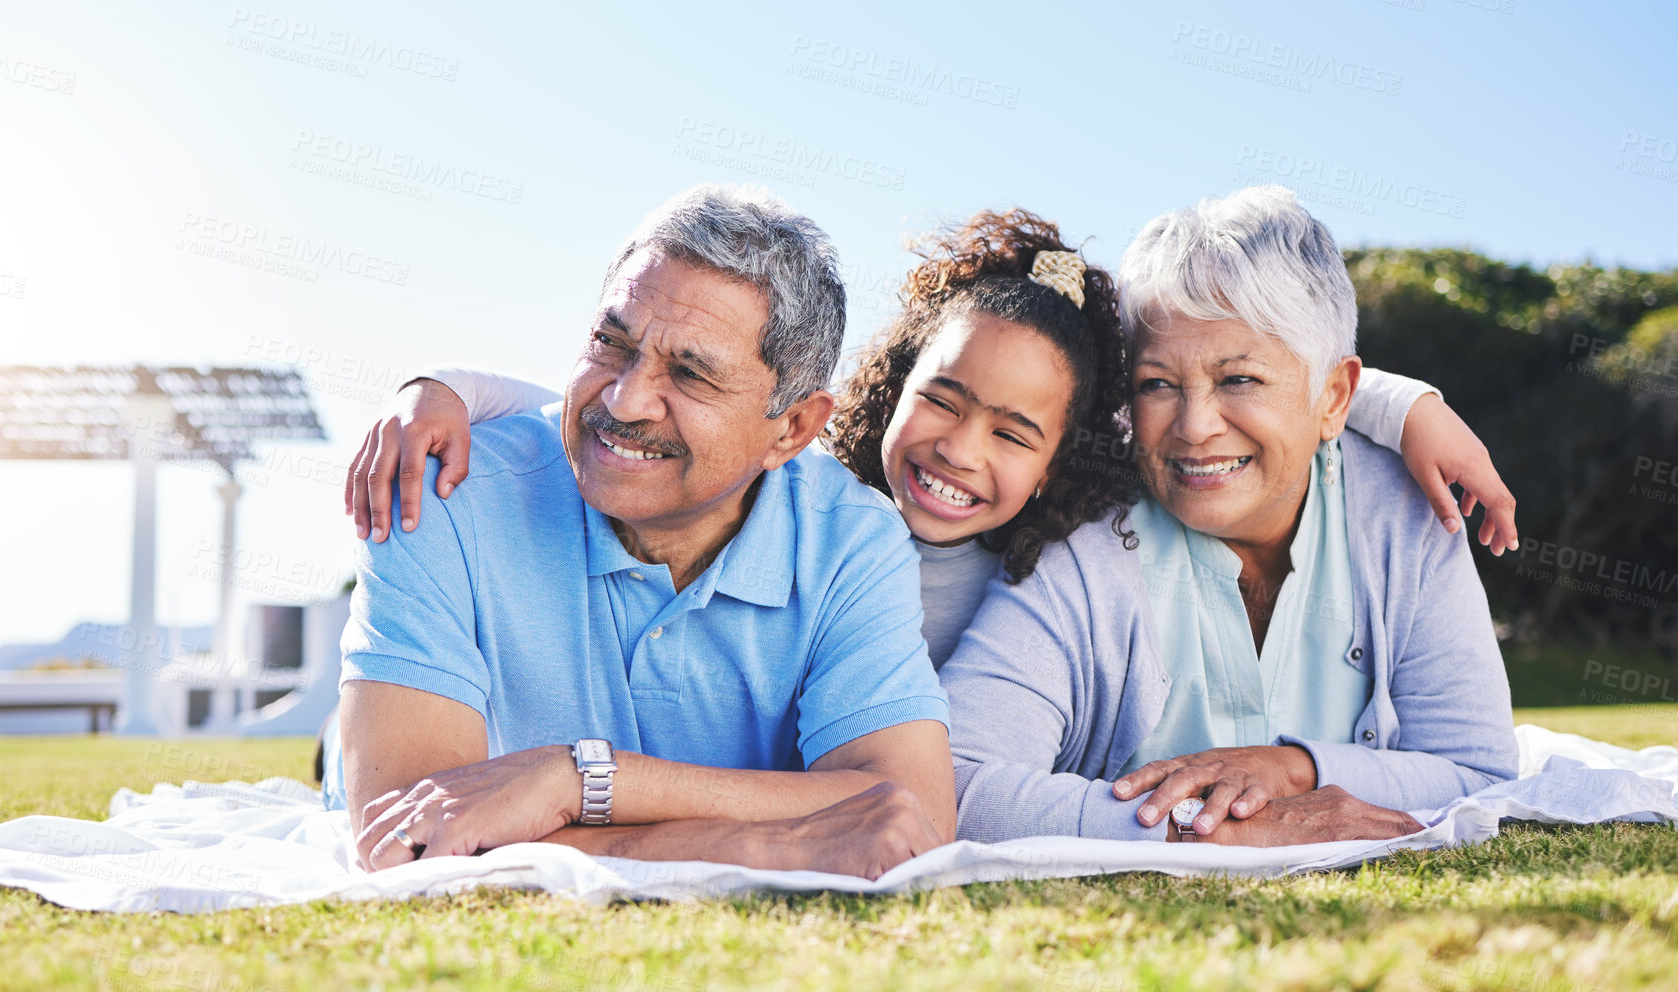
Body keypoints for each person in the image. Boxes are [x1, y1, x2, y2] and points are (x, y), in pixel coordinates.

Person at [346, 210, 1516, 676]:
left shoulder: (1060, 560)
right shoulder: (795, 491)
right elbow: (642, 411)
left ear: (1063, 455)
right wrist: (440, 388)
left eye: (1015, 433)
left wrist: (1398, 403)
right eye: (941, 400)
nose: (960, 450)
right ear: (884, 387)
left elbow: (1221, 391)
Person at [329, 184, 954, 881]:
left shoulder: (851, 542)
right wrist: (758, 846)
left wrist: (575, 780)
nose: (624, 399)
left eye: (690, 374)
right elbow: (408, 841)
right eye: (610, 342)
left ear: (793, 428)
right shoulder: (446, 486)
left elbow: (912, 816)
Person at [940, 186, 1520, 846]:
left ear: (1333, 397)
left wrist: (1295, 771)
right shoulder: (1082, 531)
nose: (1192, 428)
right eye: (1157, 383)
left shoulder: (1402, 509)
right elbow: (948, 782)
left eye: (1238, 380)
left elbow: (1478, 771)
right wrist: (1206, 831)